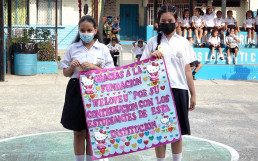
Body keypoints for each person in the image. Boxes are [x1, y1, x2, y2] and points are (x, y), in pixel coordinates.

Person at [141, 4, 196, 161]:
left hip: (179, 91)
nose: (167, 23)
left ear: (177, 21)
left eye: (170, 20)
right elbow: (142, 68)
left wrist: (193, 94)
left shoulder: (184, 43)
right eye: (163, 21)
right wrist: (151, 58)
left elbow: (187, 71)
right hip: (158, 92)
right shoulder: (152, 42)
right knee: (161, 131)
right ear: (158, 22)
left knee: (177, 132)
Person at [61, 15, 114, 161]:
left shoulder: (103, 49)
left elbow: (111, 73)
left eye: (89, 30)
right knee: (78, 131)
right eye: (82, 30)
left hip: (96, 92)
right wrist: (71, 66)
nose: (86, 33)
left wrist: (94, 67)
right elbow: (66, 73)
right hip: (76, 90)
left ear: (95, 30)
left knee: (92, 130)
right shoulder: (73, 48)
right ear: (79, 31)